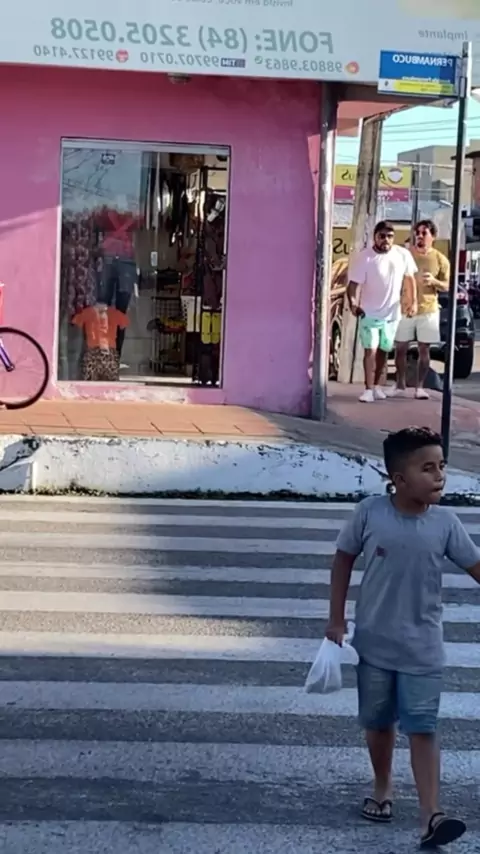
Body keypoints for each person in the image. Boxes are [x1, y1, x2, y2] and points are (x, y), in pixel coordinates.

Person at [325, 426, 480, 848]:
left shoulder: (446, 523)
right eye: (427, 468)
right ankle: (382, 786)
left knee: (423, 727)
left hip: (424, 648)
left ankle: (431, 814)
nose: (440, 476)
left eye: (442, 466)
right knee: (378, 723)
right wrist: (336, 619)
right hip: (374, 644)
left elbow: (475, 566)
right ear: (399, 478)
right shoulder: (370, 513)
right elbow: (343, 560)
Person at [347, 221, 417, 403]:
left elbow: (410, 279)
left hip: (392, 314)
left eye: (390, 236)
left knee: (384, 350)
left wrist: (413, 302)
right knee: (370, 350)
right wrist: (353, 304)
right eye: (382, 236)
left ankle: (377, 386)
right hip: (369, 312)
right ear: (375, 237)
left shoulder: (402, 255)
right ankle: (368, 389)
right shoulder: (365, 258)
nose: (386, 240)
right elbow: (353, 285)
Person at [390, 220, 450, 400]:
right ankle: (400, 384)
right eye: (417, 233)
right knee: (401, 348)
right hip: (405, 308)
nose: (420, 236)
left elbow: (447, 285)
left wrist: (434, 281)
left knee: (424, 349)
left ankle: (420, 387)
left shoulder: (440, 259)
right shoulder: (406, 255)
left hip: (429, 309)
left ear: (433, 237)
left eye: (424, 233)